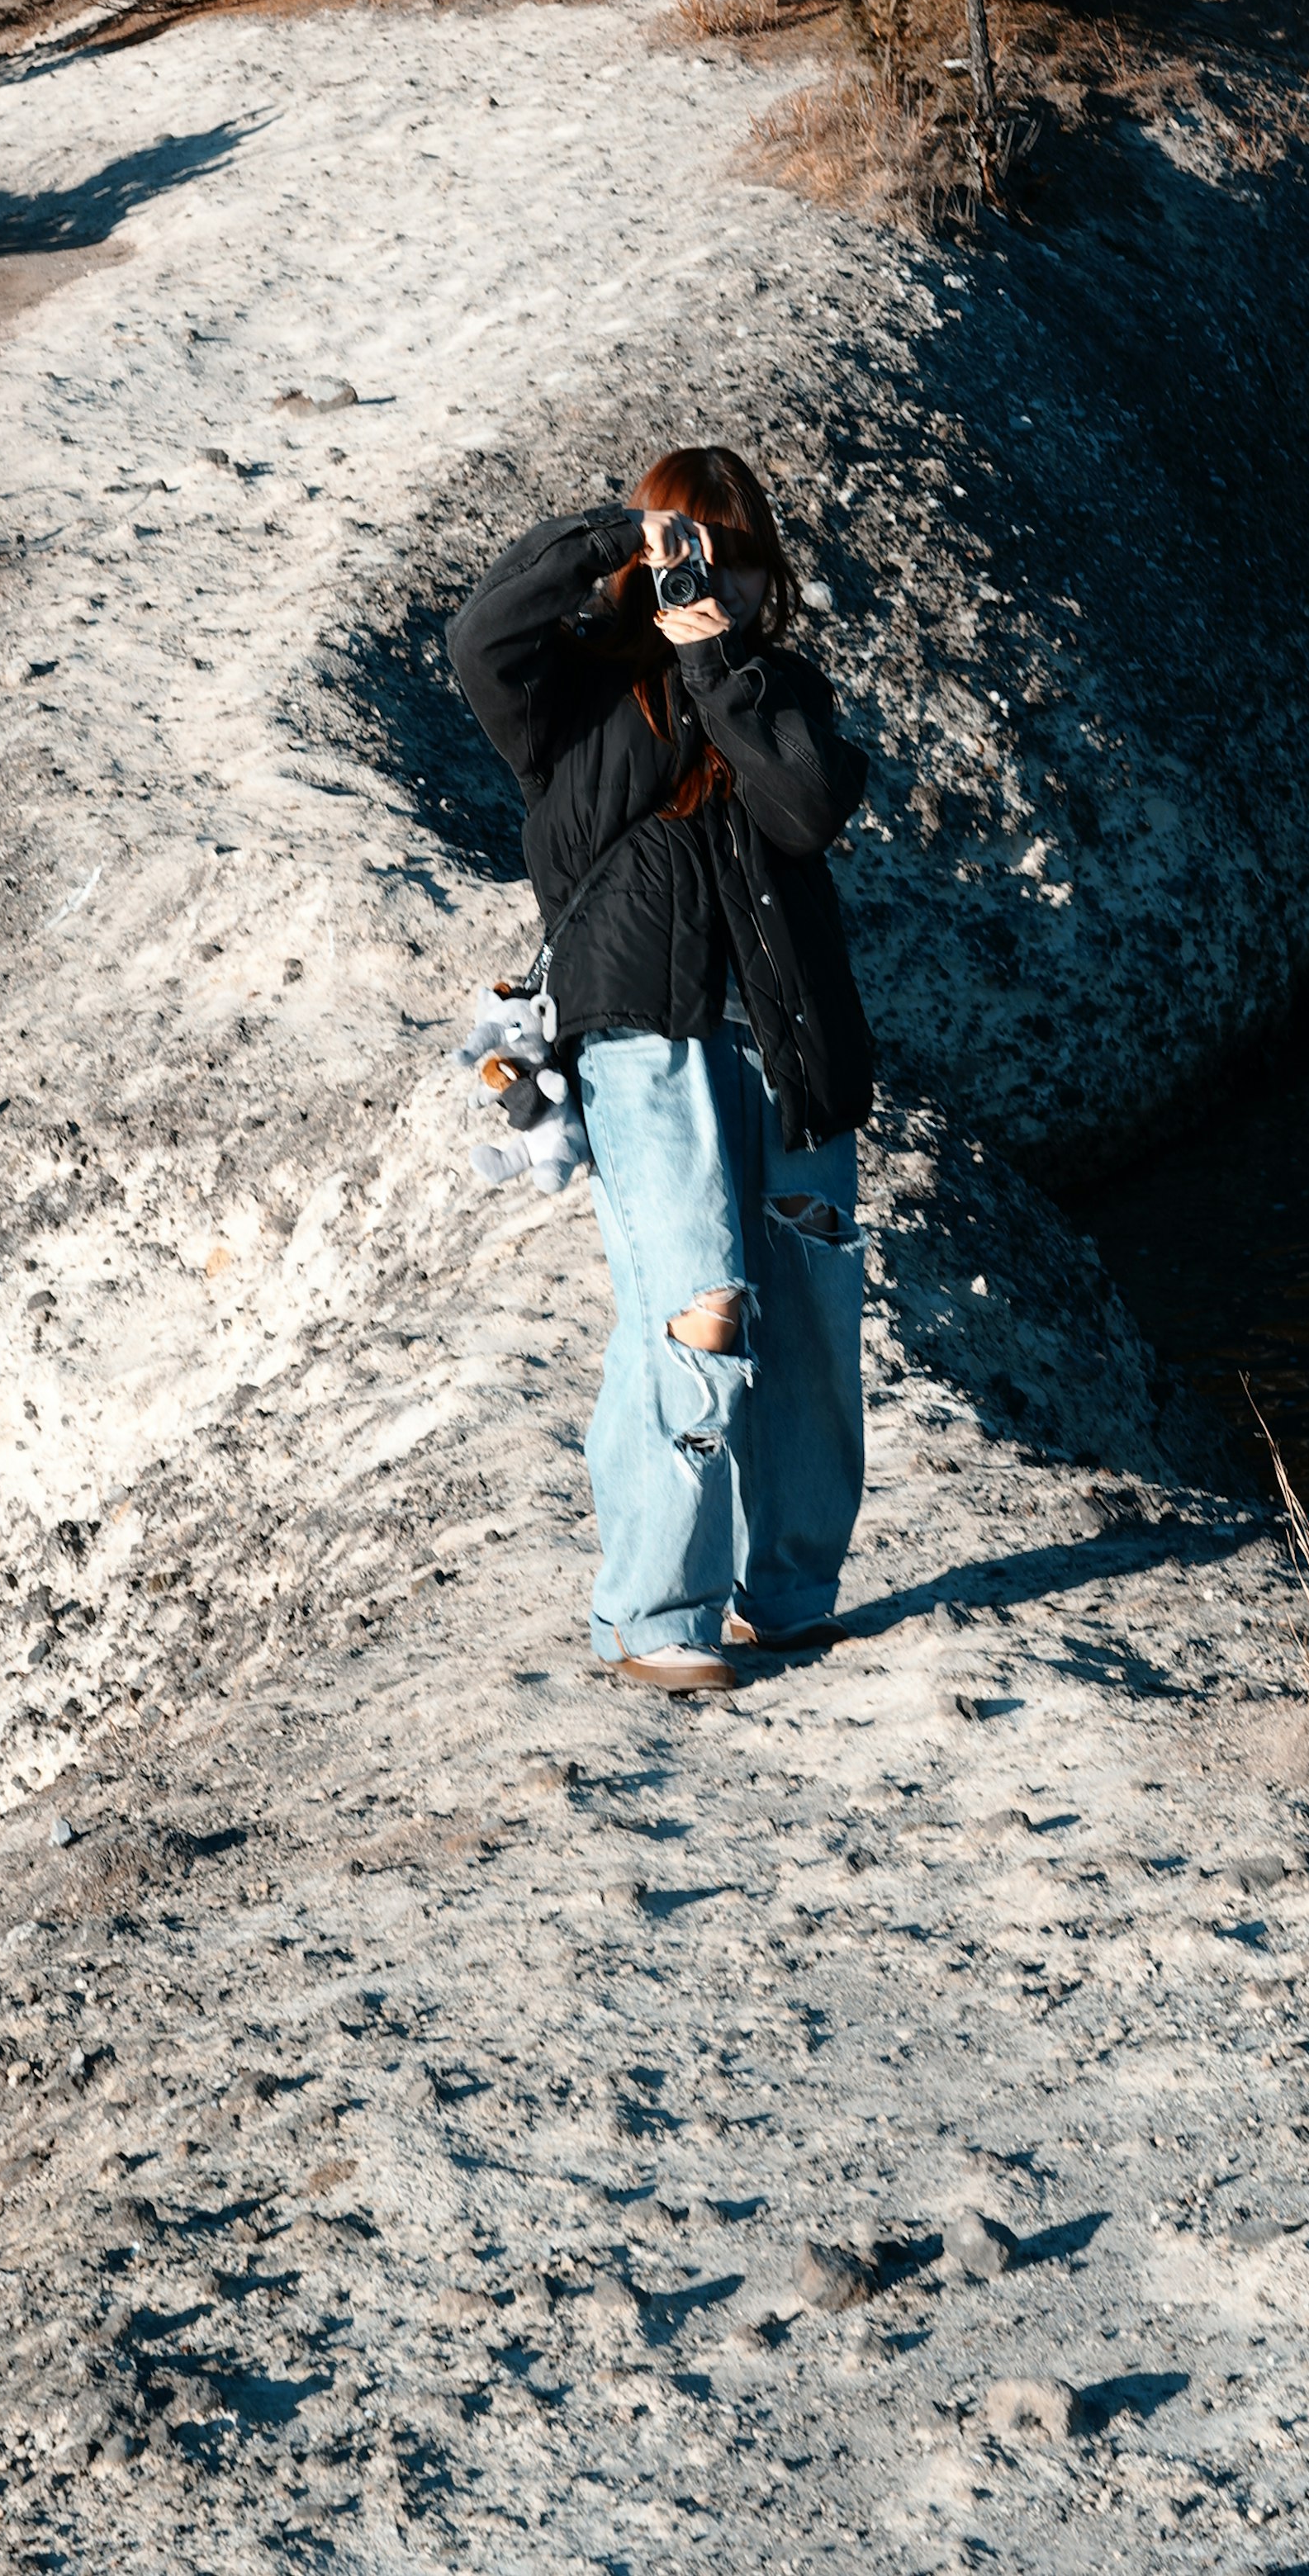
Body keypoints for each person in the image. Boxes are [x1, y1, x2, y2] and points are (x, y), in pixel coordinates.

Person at [448, 448, 878, 1695]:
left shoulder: (777, 688)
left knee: (808, 1325)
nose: (723, 580)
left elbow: (802, 807)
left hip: (792, 1044)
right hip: (645, 1035)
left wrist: (712, 659)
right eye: (701, 552)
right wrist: (617, 538)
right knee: (696, 1302)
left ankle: (787, 1595)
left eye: (741, 558)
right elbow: (477, 639)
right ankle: (657, 1612)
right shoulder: (574, 695)